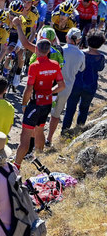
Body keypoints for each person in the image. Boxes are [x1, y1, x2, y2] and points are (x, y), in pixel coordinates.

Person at [14, 39, 65, 169]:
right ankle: (40, 159)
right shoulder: (55, 64)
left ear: (36, 50)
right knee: (40, 129)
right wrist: (49, 92)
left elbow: (29, 88)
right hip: (47, 103)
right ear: (48, 51)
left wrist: (24, 104)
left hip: (35, 103)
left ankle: (16, 166)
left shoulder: (34, 66)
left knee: (25, 136)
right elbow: (62, 86)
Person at [46, 28, 85, 145]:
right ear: (78, 40)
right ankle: (49, 139)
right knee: (56, 114)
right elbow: (81, 69)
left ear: (67, 37)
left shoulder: (59, 50)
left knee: (43, 111)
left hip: (52, 85)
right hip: (66, 88)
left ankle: (37, 138)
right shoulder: (81, 54)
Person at [62, 29, 106, 133]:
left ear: (87, 40)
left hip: (76, 83)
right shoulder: (100, 57)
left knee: (70, 109)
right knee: (84, 109)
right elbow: (100, 69)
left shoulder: (80, 53)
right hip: (90, 85)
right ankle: (79, 130)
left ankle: (64, 131)